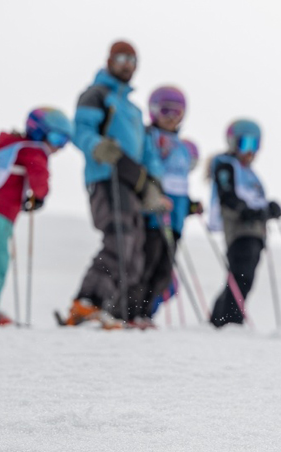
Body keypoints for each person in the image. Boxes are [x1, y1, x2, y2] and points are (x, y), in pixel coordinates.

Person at [62, 40, 168, 329]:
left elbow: (149, 154)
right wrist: (96, 146)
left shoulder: (133, 111)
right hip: (106, 177)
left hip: (132, 183)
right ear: (109, 60)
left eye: (132, 60)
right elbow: (80, 129)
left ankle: (115, 310)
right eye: (121, 58)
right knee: (119, 240)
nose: (127, 64)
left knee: (135, 251)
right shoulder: (97, 95)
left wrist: (153, 186)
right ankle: (87, 302)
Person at [128, 86, 202, 328]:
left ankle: (146, 313)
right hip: (154, 215)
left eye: (177, 112)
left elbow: (179, 184)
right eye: (165, 110)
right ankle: (132, 312)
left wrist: (189, 206)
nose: (171, 117)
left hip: (176, 219)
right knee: (147, 263)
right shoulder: (150, 138)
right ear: (154, 111)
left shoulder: (182, 147)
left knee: (164, 268)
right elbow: (150, 172)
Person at [0, 108, 73, 325]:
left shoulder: (8, 145)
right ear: (38, 132)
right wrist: (39, 197)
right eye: (57, 138)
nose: (58, 147)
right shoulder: (34, 150)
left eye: (64, 141)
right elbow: (39, 176)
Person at [208, 119, 281, 328]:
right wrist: (246, 211)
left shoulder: (251, 174)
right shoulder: (225, 165)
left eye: (254, 145)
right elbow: (228, 196)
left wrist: (269, 209)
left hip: (256, 232)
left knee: (246, 276)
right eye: (243, 144)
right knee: (241, 274)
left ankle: (222, 318)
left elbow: (255, 200)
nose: (249, 151)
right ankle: (228, 319)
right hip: (239, 230)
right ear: (232, 143)